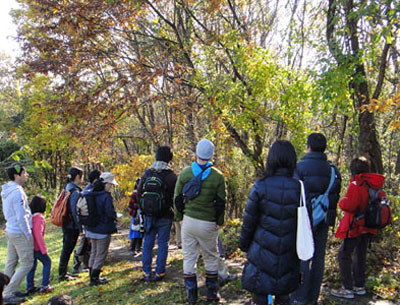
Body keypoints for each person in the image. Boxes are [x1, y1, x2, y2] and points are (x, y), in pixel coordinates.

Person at [239, 140, 301, 305]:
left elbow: (249, 221)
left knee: (260, 295)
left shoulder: (261, 186)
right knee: (284, 296)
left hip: (262, 251)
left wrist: (244, 245)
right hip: (289, 251)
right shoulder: (300, 188)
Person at [291, 133, 342, 305]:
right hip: (323, 220)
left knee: (302, 256)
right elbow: (334, 197)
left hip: (304, 220)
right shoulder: (333, 171)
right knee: (319, 258)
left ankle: (299, 296)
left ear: (309, 146)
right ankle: (313, 297)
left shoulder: (298, 167)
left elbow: (294, 194)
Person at [174, 139, 226, 304]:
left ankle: (192, 295)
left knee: (189, 257)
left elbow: (177, 199)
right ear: (211, 155)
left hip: (189, 221)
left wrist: (180, 218)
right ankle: (211, 293)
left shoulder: (185, 173)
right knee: (210, 257)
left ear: (196, 152)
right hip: (208, 222)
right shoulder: (217, 176)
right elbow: (221, 203)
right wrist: (219, 221)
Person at [331, 157, 384, 299]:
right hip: (368, 225)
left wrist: (342, 202)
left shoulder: (356, 184)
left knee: (344, 254)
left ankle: (347, 288)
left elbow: (351, 205)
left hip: (355, 225)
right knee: (360, 254)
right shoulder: (374, 184)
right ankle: (359, 286)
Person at [137, 146, 177, 282]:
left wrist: (143, 210)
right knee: (163, 244)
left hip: (148, 215)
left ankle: (146, 273)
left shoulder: (147, 173)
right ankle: (159, 272)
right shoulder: (171, 176)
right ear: (169, 159)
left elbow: (139, 193)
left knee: (147, 243)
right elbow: (175, 196)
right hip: (165, 215)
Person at [1, 162, 34, 304]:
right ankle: (8, 292)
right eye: (23, 173)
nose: (26, 175)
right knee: (27, 263)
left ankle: (5, 290)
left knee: (11, 262)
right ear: (16, 175)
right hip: (19, 231)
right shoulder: (17, 192)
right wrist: (28, 233)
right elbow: (22, 215)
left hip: (10, 229)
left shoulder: (7, 190)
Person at [84, 172, 118, 286]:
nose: (111, 187)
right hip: (103, 229)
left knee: (93, 252)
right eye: (111, 185)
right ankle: (95, 279)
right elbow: (109, 212)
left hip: (90, 228)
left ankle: (91, 276)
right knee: (101, 254)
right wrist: (115, 216)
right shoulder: (105, 196)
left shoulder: (89, 193)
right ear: (107, 184)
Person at [72, 170, 101, 274]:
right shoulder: (88, 190)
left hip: (87, 221)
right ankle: (76, 266)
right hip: (86, 222)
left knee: (87, 244)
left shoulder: (88, 189)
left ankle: (86, 265)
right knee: (83, 244)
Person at [58, 167, 84, 282]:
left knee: (66, 248)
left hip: (66, 223)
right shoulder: (74, 191)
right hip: (71, 225)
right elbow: (75, 210)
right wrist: (80, 227)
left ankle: (63, 272)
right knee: (68, 248)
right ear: (78, 177)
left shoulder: (67, 188)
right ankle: (62, 274)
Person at [26, 195, 53, 294]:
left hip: (30, 245)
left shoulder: (30, 216)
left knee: (32, 265)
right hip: (37, 247)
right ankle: (45, 285)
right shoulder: (39, 218)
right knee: (47, 263)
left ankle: (30, 286)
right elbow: (38, 234)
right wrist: (43, 248)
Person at [128, 179, 143, 257]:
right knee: (135, 231)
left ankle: (138, 248)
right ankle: (132, 248)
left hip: (141, 215)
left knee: (141, 231)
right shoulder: (135, 194)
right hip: (136, 215)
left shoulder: (143, 193)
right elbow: (130, 205)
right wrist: (138, 207)